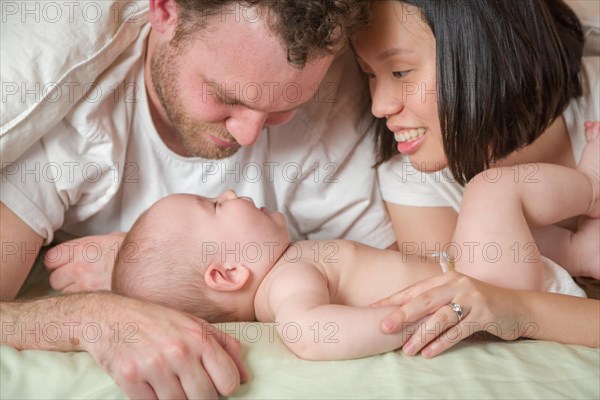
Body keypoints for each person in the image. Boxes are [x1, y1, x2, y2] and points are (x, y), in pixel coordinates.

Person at [1, 1, 396, 398]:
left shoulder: (332, 104)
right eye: (227, 97)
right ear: (165, 12)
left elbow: (403, 275)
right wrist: (99, 315)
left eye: (284, 109)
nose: (248, 136)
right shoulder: (66, 109)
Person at [109, 126, 597, 359]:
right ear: (228, 274)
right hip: (485, 293)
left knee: (514, 229)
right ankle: (591, 187)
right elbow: (310, 334)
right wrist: (408, 322)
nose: (232, 192)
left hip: (491, 279)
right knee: (491, 190)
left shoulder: (290, 266)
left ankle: (578, 252)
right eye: (216, 206)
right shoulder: (289, 284)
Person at [352, 0, 599, 356]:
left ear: (492, 52)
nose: (379, 105)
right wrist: (521, 309)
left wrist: (523, 308)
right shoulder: (415, 183)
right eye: (370, 74)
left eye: (401, 72)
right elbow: (481, 320)